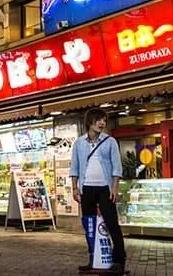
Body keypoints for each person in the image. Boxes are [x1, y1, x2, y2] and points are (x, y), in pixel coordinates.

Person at [69, 108, 126, 274]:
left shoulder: (110, 141)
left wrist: (115, 187)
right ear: (90, 122)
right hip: (86, 189)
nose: (102, 123)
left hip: (105, 189)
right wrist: (74, 188)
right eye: (98, 120)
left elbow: (117, 168)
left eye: (104, 120)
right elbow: (75, 167)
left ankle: (119, 260)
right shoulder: (79, 143)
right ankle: (94, 258)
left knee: (111, 223)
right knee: (90, 225)